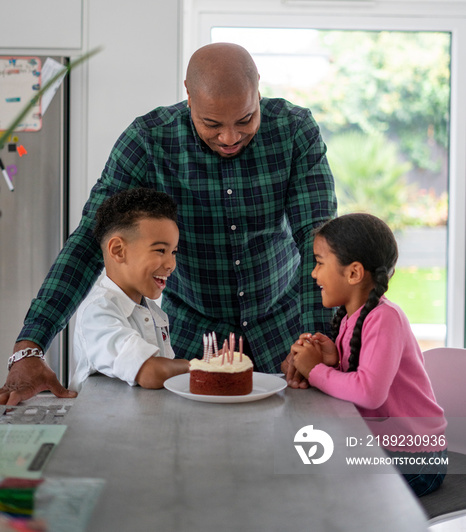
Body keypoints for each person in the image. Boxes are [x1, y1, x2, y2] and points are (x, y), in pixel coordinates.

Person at [0, 42, 336, 405]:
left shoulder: (294, 130)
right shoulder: (148, 142)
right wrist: (29, 347)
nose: (229, 137)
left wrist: (315, 338)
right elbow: (89, 240)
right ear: (189, 95)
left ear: (258, 87)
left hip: (284, 328)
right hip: (189, 337)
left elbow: (317, 241)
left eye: (245, 120)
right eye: (212, 123)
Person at [285, 212, 447, 497]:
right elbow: (361, 375)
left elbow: (370, 393)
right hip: (384, 447)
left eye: (320, 263)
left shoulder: (385, 318)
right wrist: (331, 360)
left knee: (315, 481)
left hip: (417, 458)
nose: (313, 273)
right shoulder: (352, 319)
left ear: (354, 273)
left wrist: (316, 371)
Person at [69, 188, 189, 392]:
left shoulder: (154, 312)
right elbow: (152, 373)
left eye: (173, 252)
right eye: (160, 250)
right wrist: (206, 367)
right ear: (118, 250)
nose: (171, 264)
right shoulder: (98, 311)